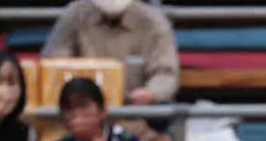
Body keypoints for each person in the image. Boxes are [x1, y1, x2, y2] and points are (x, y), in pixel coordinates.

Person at [41, 0, 180, 106]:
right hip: (81, 114)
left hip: (134, 115)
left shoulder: (153, 22)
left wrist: (152, 92)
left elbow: (165, 72)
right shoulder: (74, 16)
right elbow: (52, 64)